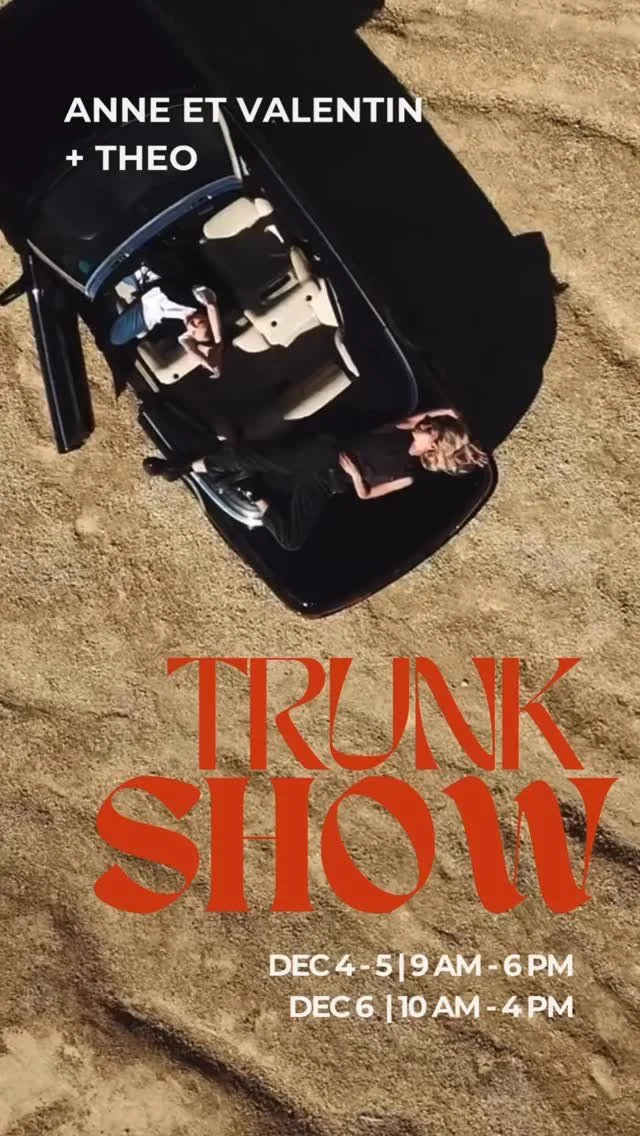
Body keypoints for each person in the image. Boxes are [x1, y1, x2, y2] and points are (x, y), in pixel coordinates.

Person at [142, 408, 489, 551]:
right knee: (248, 455)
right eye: (428, 424)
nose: (425, 425)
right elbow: (442, 411)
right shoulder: (400, 429)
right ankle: (180, 467)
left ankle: (252, 490)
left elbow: (367, 495)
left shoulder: (407, 476)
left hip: (329, 481)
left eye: (431, 429)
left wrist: (355, 476)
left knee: (291, 539)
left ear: (435, 446)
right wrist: (452, 419)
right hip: (322, 454)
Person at [110, 279, 224, 378]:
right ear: (206, 315)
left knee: (116, 338)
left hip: (145, 313)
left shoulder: (183, 330)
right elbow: (211, 306)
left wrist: (205, 360)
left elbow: (190, 347)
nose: (192, 325)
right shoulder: (196, 298)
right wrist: (219, 344)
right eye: (200, 322)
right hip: (150, 288)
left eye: (193, 332)